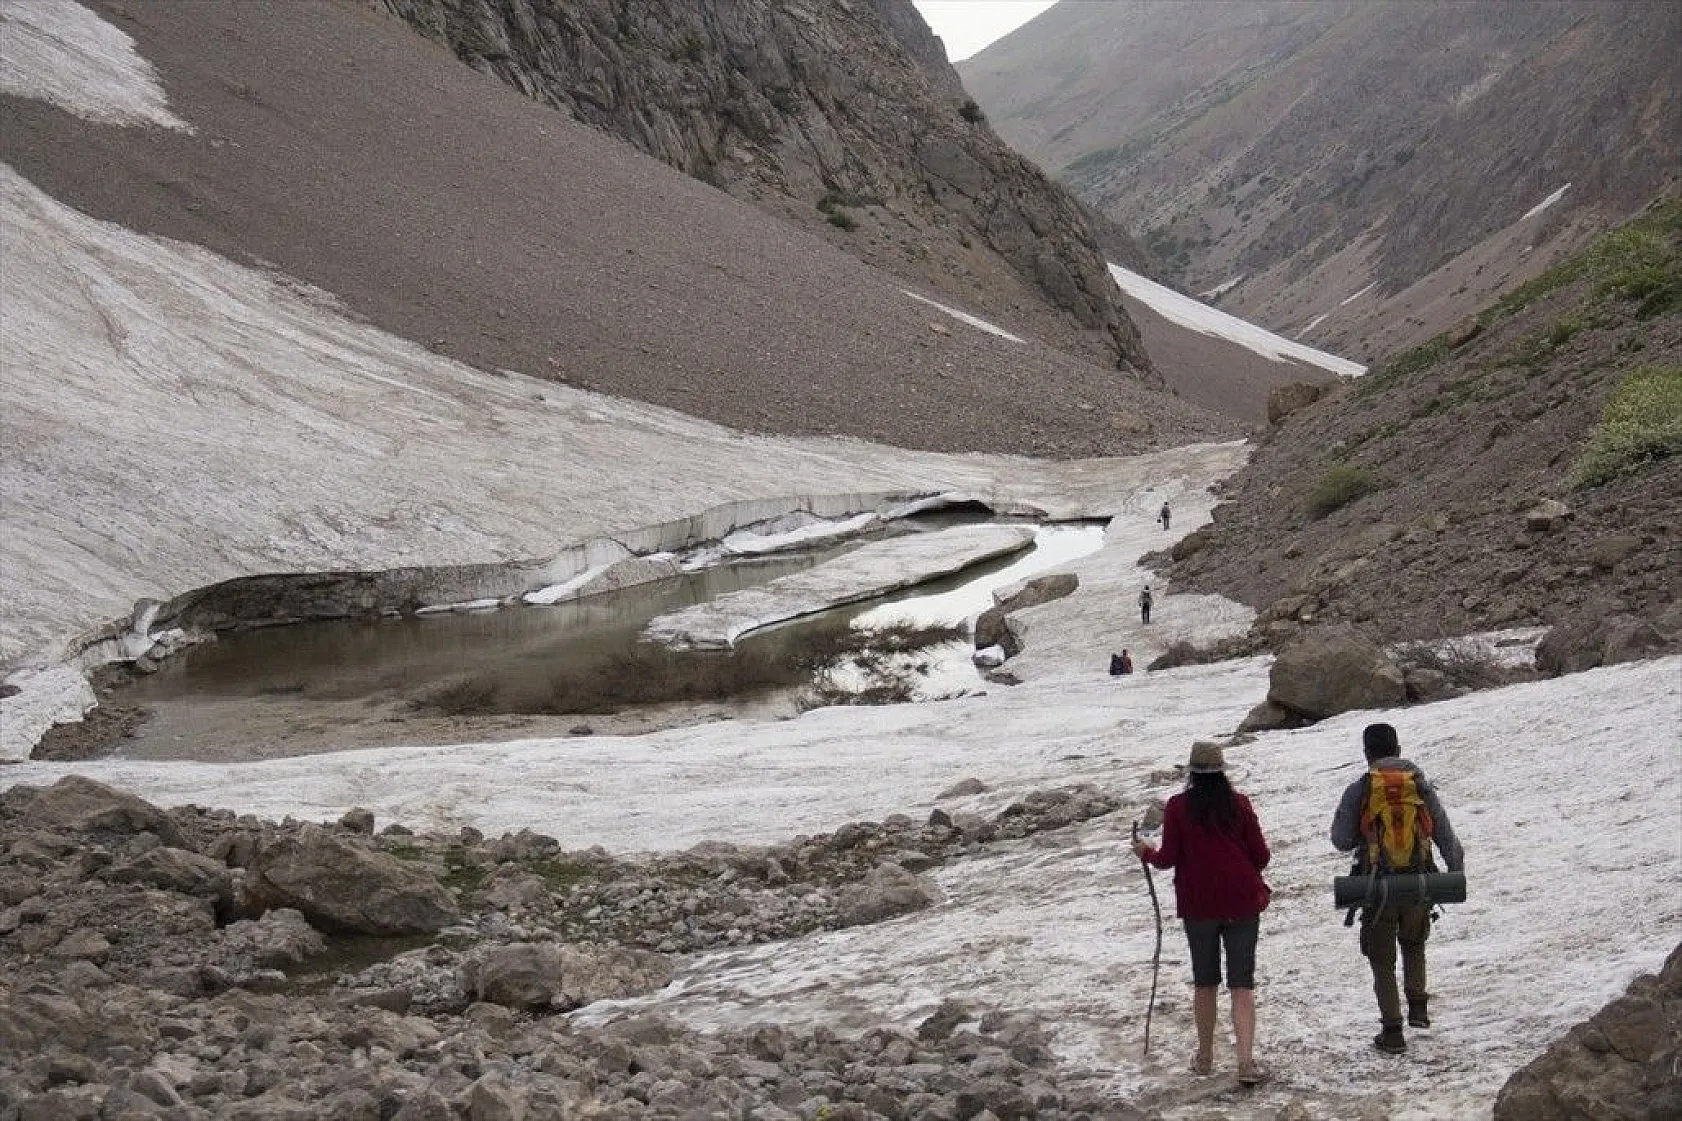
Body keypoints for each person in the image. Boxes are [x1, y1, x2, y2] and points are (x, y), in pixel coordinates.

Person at [1132, 742, 1272, 1084]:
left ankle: (1206, 1058)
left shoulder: (1178, 807)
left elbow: (1167, 859)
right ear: (1222, 770)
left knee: (1205, 982)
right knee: (1242, 985)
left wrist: (1145, 853)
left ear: (1191, 772)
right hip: (1241, 901)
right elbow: (1262, 856)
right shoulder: (1239, 804)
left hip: (1199, 906)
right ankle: (1245, 1063)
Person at [1330, 722, 1464, 1055]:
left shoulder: (1361, 788)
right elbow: (1444, 832)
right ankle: (1417, 1008)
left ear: (1366, 754)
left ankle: (1392, 1031)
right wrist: (1454, 871)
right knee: (1414, 943)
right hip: (1419, 880)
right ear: (1399, 749)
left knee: (1382, 960)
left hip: (1377, 887)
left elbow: (1341, 840)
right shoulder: (1419, 786)